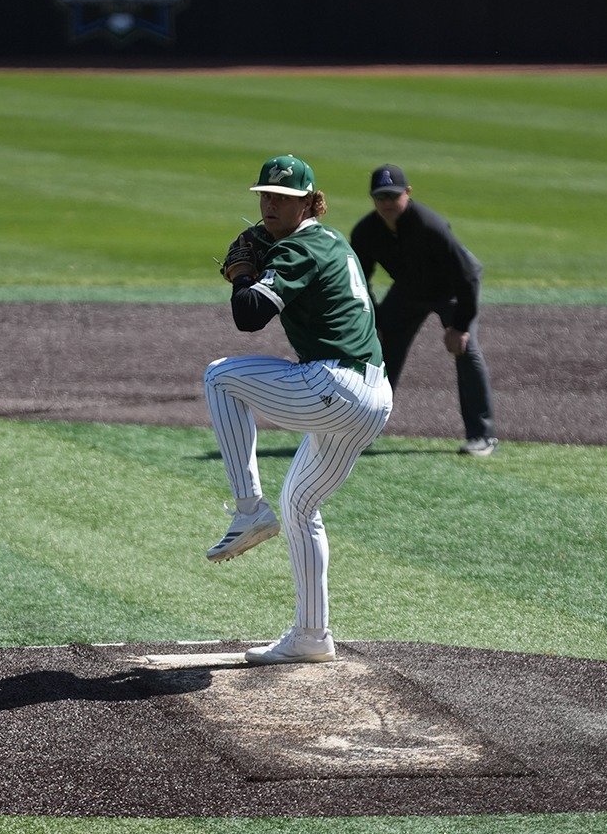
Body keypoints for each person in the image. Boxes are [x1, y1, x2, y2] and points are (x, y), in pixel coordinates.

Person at [204, 155, 394, 665]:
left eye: (283, 198)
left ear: (310, 202)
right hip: (373, 397)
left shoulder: (302, 248)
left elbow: (249, 316)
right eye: (264, 196)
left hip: (335, 386)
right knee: (300, 508)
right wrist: (257, 260)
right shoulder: (327, 241)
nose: (269, 205)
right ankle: (312, 637)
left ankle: (248, 510)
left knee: (221, 377)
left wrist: (244, 271)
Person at [348, 164, 498, 455]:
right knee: (378, 351)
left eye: (393, 195)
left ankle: (483, 436)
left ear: (407, 193)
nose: (388, 203)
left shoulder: (430, 225)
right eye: (381, 197)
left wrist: (462, 327)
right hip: (409, 291)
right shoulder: (366, 232)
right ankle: (363, 429)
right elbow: (359, 282)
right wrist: (374, 323)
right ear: (372, 198)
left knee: (467, 350)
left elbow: (467, 275)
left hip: (453, 290)